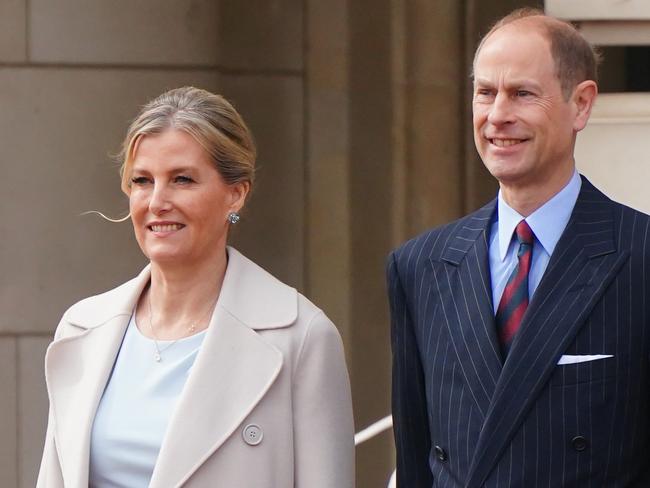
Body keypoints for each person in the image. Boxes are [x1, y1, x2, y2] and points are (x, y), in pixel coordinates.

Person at [37, 86, 354, 488]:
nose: (157, 201)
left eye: (182, 179)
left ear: (235, 194)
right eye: (142, 181)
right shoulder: (83, 327)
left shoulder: (301, 337)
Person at [388, 8, 650, 487]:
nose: (497, 115)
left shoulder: (641, 255)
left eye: (522, 94)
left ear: (582, 104)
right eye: (485, 92)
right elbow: (415, 460)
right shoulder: (419, 265)